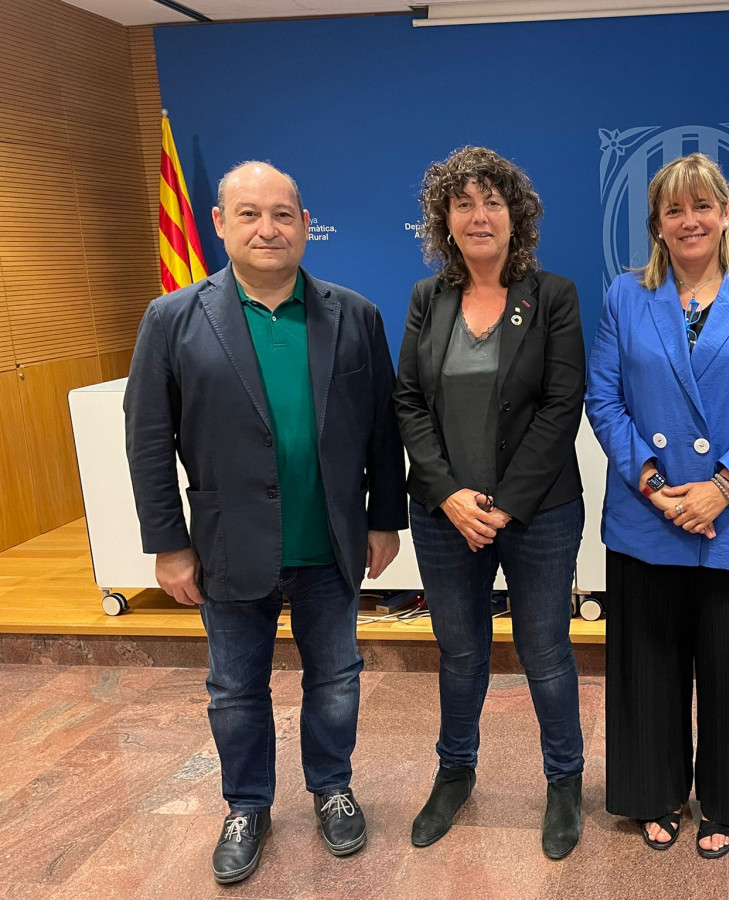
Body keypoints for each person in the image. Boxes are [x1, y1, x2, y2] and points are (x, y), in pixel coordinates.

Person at [125, 161, 407, 885]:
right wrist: (168, 544)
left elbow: (383, 430)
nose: (268, 228)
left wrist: (384, 520)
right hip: (227, 545)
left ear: (306, 225)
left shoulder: (356, 315)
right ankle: (246, 805)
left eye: (283, 214)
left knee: (336, 678)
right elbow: (149, 440)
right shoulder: (172, 319)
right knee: (234, 689)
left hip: (330, 542)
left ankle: (332, 787)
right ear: (220, 223)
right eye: (249, 214)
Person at [586, 153, 729, 859]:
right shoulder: (626, 296)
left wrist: (721, 487)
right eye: (674, 209)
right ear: (656, 223)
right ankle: (652, 792)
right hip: (646, 515)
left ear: (727, 214)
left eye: (703, 205)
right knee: (647, 667)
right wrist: (653, 485)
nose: (690, 221)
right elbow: (604, 400)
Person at [394, 146, 587, 860]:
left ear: (516, 216)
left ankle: (564, 782)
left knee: (545, 651)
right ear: (444, 219)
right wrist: (449, 494)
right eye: (464, 203)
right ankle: (454, 774)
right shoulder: (428, 298)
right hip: (444, 516)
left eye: (493, 202)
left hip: (538, 513)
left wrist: (503, 505)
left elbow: (562, 405)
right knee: (460, 651)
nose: (479, 216)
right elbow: (408, 402)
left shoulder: (553, 295)